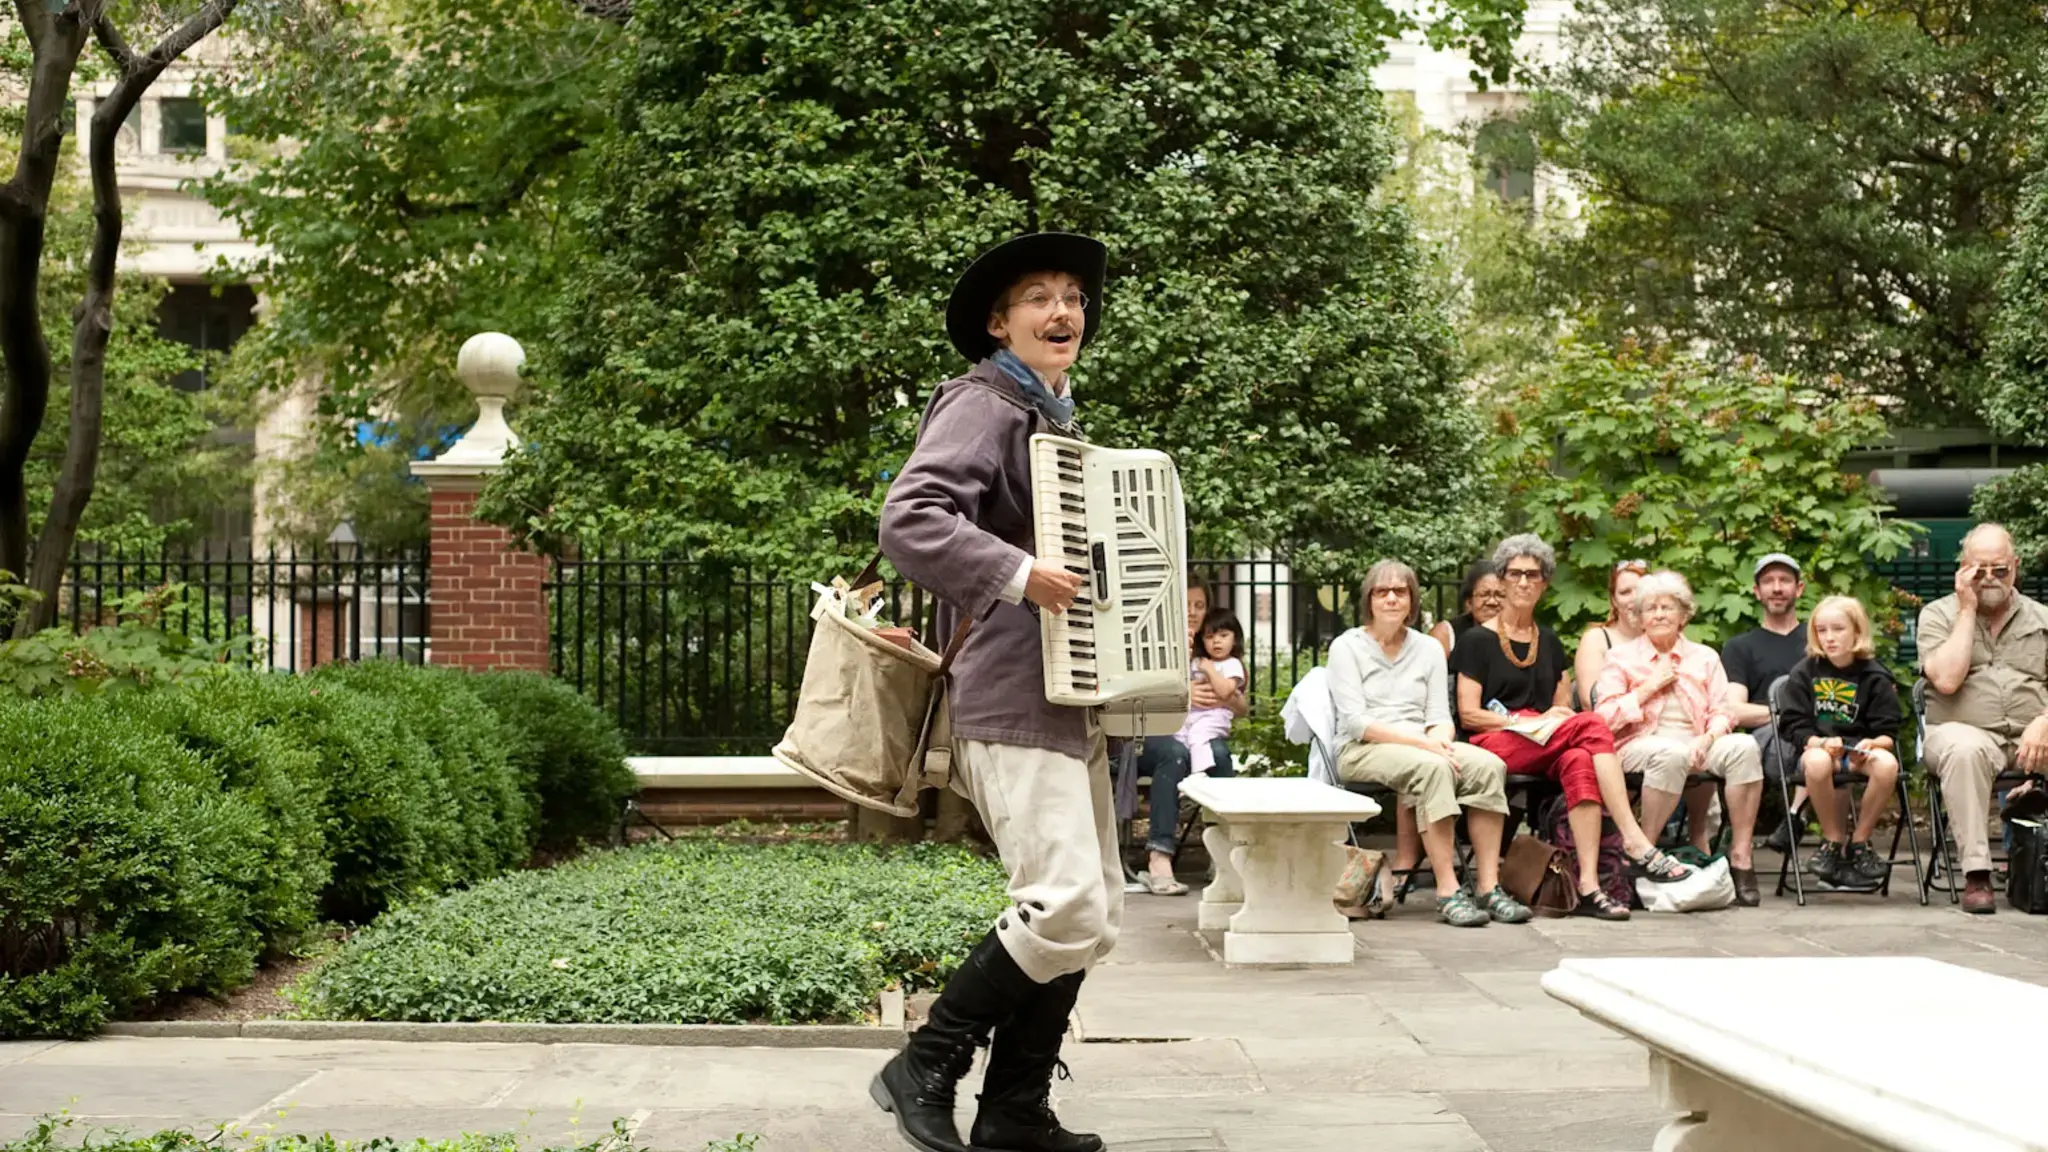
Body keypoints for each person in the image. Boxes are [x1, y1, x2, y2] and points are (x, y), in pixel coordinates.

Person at [874, 231, 1115, 1152]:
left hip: (1075, 694)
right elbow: (911, 518)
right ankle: (923, 1063)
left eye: (1074, 298)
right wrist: (1022, 574)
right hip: (1014, 688)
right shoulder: (985, 401)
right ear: (998, 321)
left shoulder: (1055, 417)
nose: (1063, 313)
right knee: (1064, 904)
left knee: (1095, 920)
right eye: (1039, 298)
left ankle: (1014, 1112)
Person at [1453, 535, 1693, 922]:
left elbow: (1562, 701)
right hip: (1495, 740)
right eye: (1515, 574)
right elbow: (1468, 714)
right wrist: (1525, 722)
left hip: (1546, 738)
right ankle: (1635, 841)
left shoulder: (1546, 640)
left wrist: (1557, 716)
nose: (1524, 582)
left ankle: (1588, 886)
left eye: (1533, 574)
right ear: (1501, 579)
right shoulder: (1476, 640)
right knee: (1595, 726)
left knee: (1581, 757)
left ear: (1545, 582)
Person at [1330, 560, 1530, 927]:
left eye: (1400, 591)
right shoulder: (1347, 647)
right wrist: (1425, 746)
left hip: (1422, 744)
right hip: (1362, 748)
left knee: (1489, 766)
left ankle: (1488, 886)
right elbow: (1357, 723)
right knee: (1434, 768)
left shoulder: (1427, 649)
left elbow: (1440, 717)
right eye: (1382, 591)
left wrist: (1438, 741)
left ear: (1412, 600)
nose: (1391, 598)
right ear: (1369, 600)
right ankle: (1448, 890)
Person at [1593, 571, 1767, 906]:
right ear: (1639, 618)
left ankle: (1741, 857)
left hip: (1697, 741)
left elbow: (1723, 710)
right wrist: (1648, 687)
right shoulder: (1621, 658)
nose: (1658, 614)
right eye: (1650, 608)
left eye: (1667, 607)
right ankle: (1644, 852)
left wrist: (1708, 737)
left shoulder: (1704, 657)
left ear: (1683, 615)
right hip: (1638, 743)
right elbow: (1604, 717)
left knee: (1744, 746)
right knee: (1670, 753)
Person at [1919, 523, 2048, 915]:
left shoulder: (2043, 617)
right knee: (1964, 749)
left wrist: (2044, 722)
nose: (1990, 578)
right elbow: (1946, 678)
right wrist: (1967, 610)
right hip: (1962, 732)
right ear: (1963, 570)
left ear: (2016, 566)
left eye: (1999, 569)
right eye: (1979, 570)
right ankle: (1978, 874)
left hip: (2035, 733)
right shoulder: (1938, 615)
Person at [1776, 596, 1903, 892]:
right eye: (1822, 630)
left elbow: (1889, 733)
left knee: (1888, 765)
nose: (1829, 637)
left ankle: (1860, 841)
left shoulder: (1875, 676)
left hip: (1860, 752)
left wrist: (1873, 744)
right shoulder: (1805, 672)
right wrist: (1818, 741)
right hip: (1820, 750)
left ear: (1857, 632)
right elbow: (1792, 726)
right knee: (1818, 761)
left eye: (1838, 629)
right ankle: (1833, 840)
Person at [1130, 584, 1248, 895]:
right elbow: (1131, 693)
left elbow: (1242, 707)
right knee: (1174, 752)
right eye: (1186, 604)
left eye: (1200, 604)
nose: (1193, 611)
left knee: (1220, 755)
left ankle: (1225, 855)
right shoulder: (1154, 641)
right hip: (1151, 734)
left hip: (1198, 731)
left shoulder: (1213, 651)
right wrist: (1183, 694)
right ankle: (1159, 857)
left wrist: (1228, 697)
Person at [1721, 553, 1813, 851]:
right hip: (1770, 739)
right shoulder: (1740, 647)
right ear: (1756, 591)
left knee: (1831, 739)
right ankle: (1798, 817)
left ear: (1799, 589)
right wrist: (1790, 715)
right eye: (1768, 581)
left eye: (1784, 581)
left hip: (1823, 737)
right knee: (1820, 741)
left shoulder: (1820, 639)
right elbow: (1734, 709)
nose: (1776, 588)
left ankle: (1796, 817)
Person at [1574, 559, 1648, 705]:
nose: (1634, 598)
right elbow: (1591, 702)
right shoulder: (1596, 639)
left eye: (1640, 591)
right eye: (1625, 592)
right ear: (1614, 600)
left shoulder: (1663, 638)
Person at [1430, 560, 1504, 656]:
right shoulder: (1447, 634)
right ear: (1469, 602)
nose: (1492, 602)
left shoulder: (1522, 634)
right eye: (1484, 594)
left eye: (1500, 595)